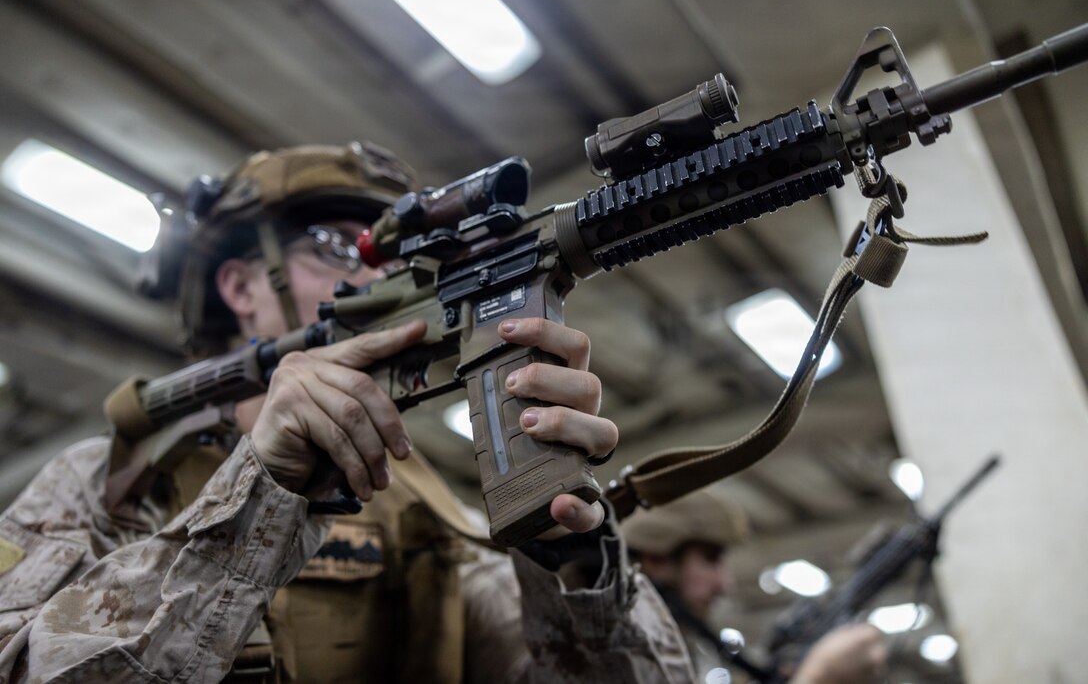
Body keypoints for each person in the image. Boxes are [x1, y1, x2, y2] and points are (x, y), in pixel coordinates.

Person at [0, 142, 694, 682]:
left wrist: (569, 553)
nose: (374, 274)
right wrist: (259, 495)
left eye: (393, 255)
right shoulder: (108, 482)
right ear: (241, 285)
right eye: (340, 246)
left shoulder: (433, 512)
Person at [622, 489, 888, 684]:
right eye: (710, 558)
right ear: (656, 559)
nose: (724, 584)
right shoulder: (615, 649)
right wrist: (816, 678)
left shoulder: (676, 650)